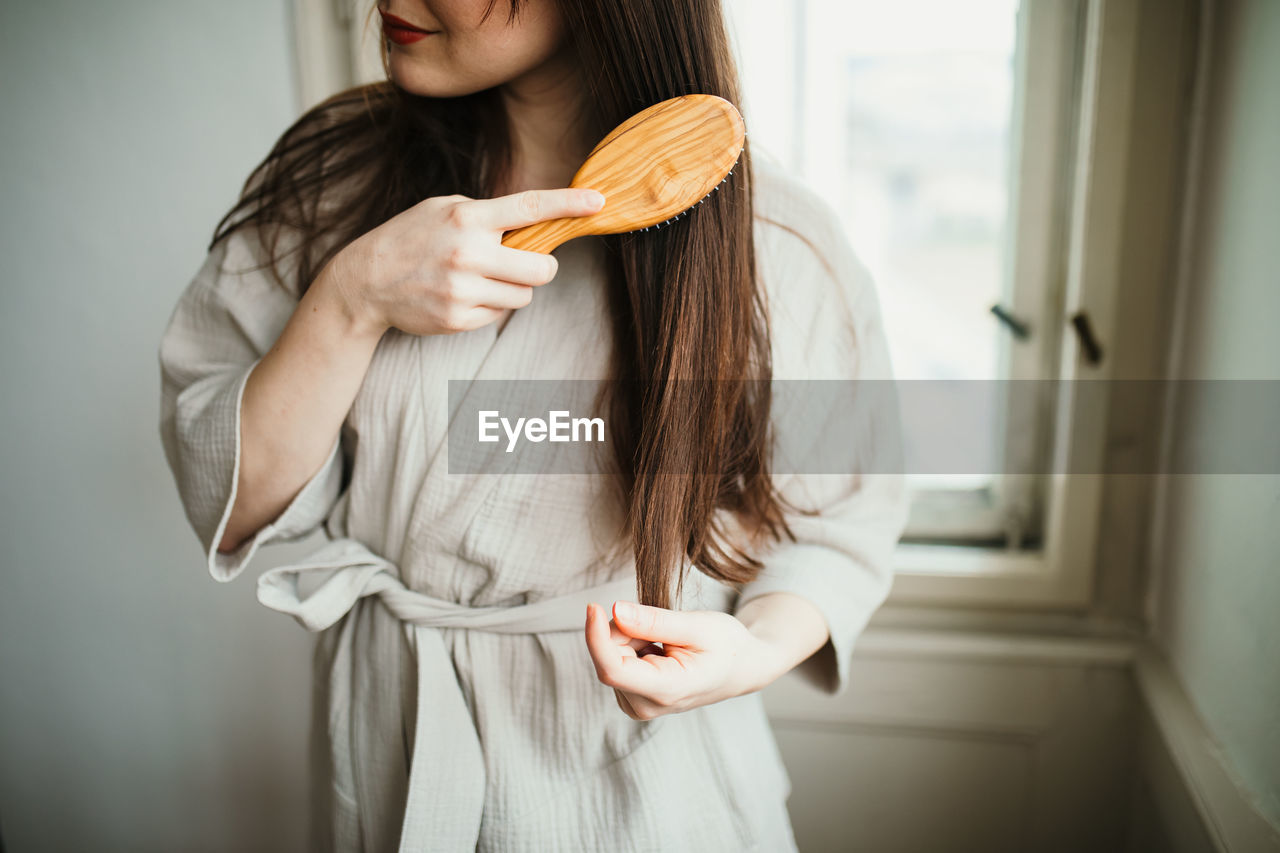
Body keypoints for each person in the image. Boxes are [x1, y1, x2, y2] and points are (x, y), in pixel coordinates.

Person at [157, 0, 909, 849]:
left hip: (644, 792)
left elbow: (843, 523)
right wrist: (350, 298)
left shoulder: (777, 243)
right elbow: (236, 494)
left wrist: (749, 651)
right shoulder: (336, 187)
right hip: (389, 743)